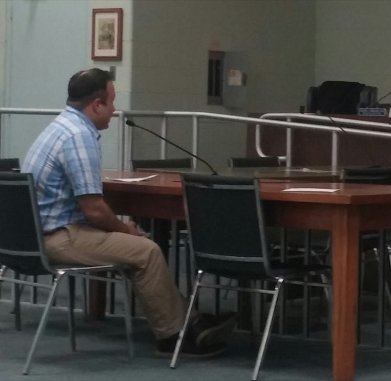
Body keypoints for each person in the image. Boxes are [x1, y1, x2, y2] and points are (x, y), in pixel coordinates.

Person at [21, 68, 235, 358]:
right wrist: (125, 230)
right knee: (145, 251)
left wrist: (120, 228)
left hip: (35, 236)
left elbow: (89, 209)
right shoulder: (79, 136)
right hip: (58, 238)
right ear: (96, 104)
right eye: (111, 101)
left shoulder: (59, 127)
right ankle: (173, 337)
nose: (114, 110)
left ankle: (189, 320)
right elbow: (94, 210)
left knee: (136, 248)